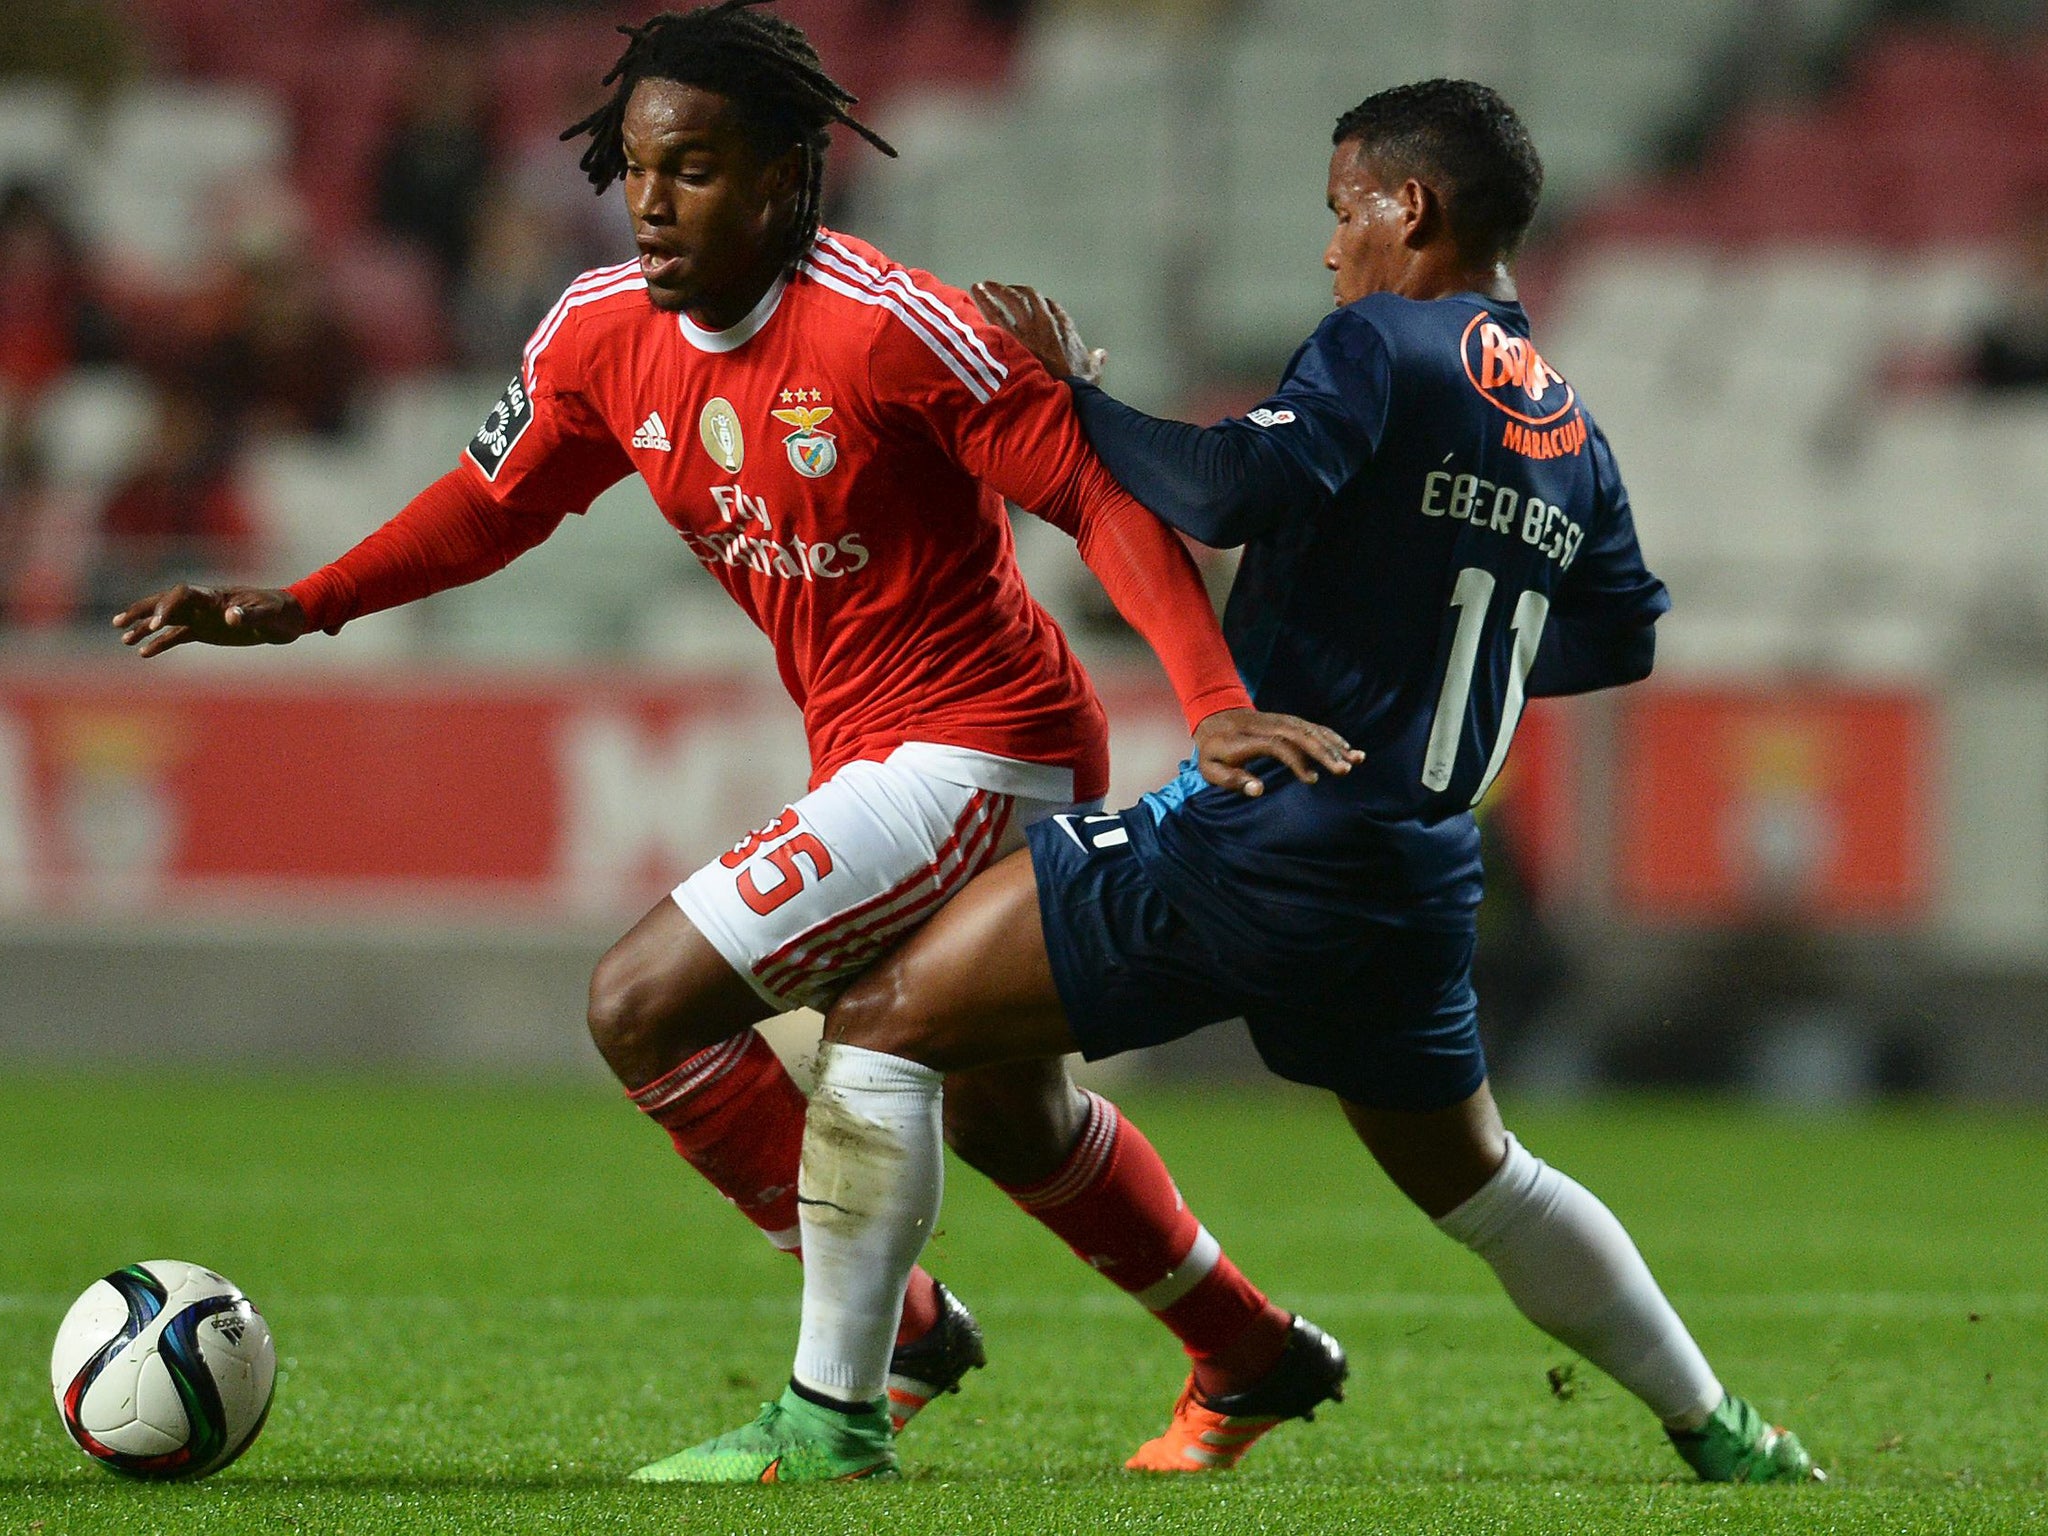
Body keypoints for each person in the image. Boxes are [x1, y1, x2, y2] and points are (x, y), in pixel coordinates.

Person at [113, 0, 1356, 1483]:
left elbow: (1097, 497)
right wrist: (305, 606)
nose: (650, 199)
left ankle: (876, 1356)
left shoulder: (893, 327)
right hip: (882, 756)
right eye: (636, 167)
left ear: (784, 175)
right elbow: (489, 503)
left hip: (986, 747)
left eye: (693, 168)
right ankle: (1251, 1347)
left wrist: (1210, 702)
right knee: (1005, 1102)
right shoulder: (597, 334)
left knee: (645, 1000)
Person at [685, 79, 1824, 1485]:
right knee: (1484, 1178)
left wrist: (1069, 397)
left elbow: (1226, 491)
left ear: (1412, 207)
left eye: (1344, 209)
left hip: (1261, 844)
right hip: (1413, 872)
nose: (1331, 244)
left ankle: (835, 1418)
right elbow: (1620, 630)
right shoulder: (1568, 431)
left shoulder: (1387, 343)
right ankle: (1726, 1432)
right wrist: (1416, 687)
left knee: (881, 1020)